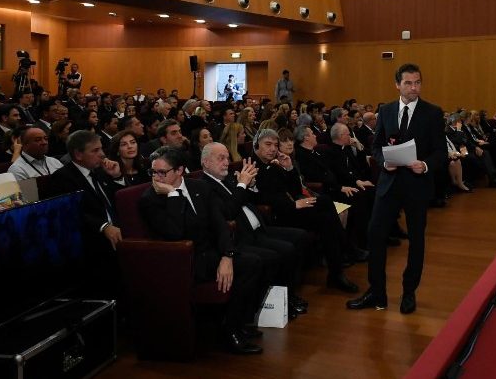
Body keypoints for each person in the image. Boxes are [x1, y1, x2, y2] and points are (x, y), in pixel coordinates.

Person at [140, 146, 264, 354]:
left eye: (162, 172)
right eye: (153, 172)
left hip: (210, 251)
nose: (156, 177)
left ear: (179, 170)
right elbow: (175, 234)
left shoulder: (199, 186)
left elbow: (219, 224)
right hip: (184, 259)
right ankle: (230, 332)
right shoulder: (150, 199)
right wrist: (172, 194)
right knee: (249, 265)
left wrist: (227, 256)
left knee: (253, 263)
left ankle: (235, 323)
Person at [347, 63, 447, 314]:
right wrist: (384, 162)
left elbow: (441, 152)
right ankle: (376, 292)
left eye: (417, 82)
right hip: (389, 184)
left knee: (416, 240)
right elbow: (376, 145)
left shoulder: (432, 113)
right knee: (375, 234)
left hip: (417, 185)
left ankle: (409, 292)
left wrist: (425, 165)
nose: (414, 88)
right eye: (408, 83)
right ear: (397, 85)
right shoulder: (387, 110)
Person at [200, 143, 310, 316]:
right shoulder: (204, 186)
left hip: (258, 228)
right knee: (283, 251)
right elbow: (229, 211)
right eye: (221, 158)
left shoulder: (227, 178)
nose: (226, 162)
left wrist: (250, 185)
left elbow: (251, 199)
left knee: (300, 236)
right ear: (206, 162)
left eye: (227, 158)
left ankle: (287, 296)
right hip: (241, 236)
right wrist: (242, 185)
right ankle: (276, 304)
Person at [248, 128, 360, 293]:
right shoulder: (251, 167)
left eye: (275, 145)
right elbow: (262, 199)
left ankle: (340, 264)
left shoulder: (273, 164)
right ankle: (341, 262)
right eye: (268, 144)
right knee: (326, 219)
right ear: (256, 145)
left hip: (292, 207)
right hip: (279, 215)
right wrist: (293, 205)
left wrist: (289, 168)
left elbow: (294, 190)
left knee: (326, 204)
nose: (273, 149)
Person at [50, 130, 123, 298]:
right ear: (78, 154)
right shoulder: (62, 178)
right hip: (92, 242)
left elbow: (120, 200)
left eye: (101, 149)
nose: (102, 154)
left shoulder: (101, 171)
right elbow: (70, 213)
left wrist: (117, 177)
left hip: (118, 232)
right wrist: (103, 226)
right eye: (95, 150)